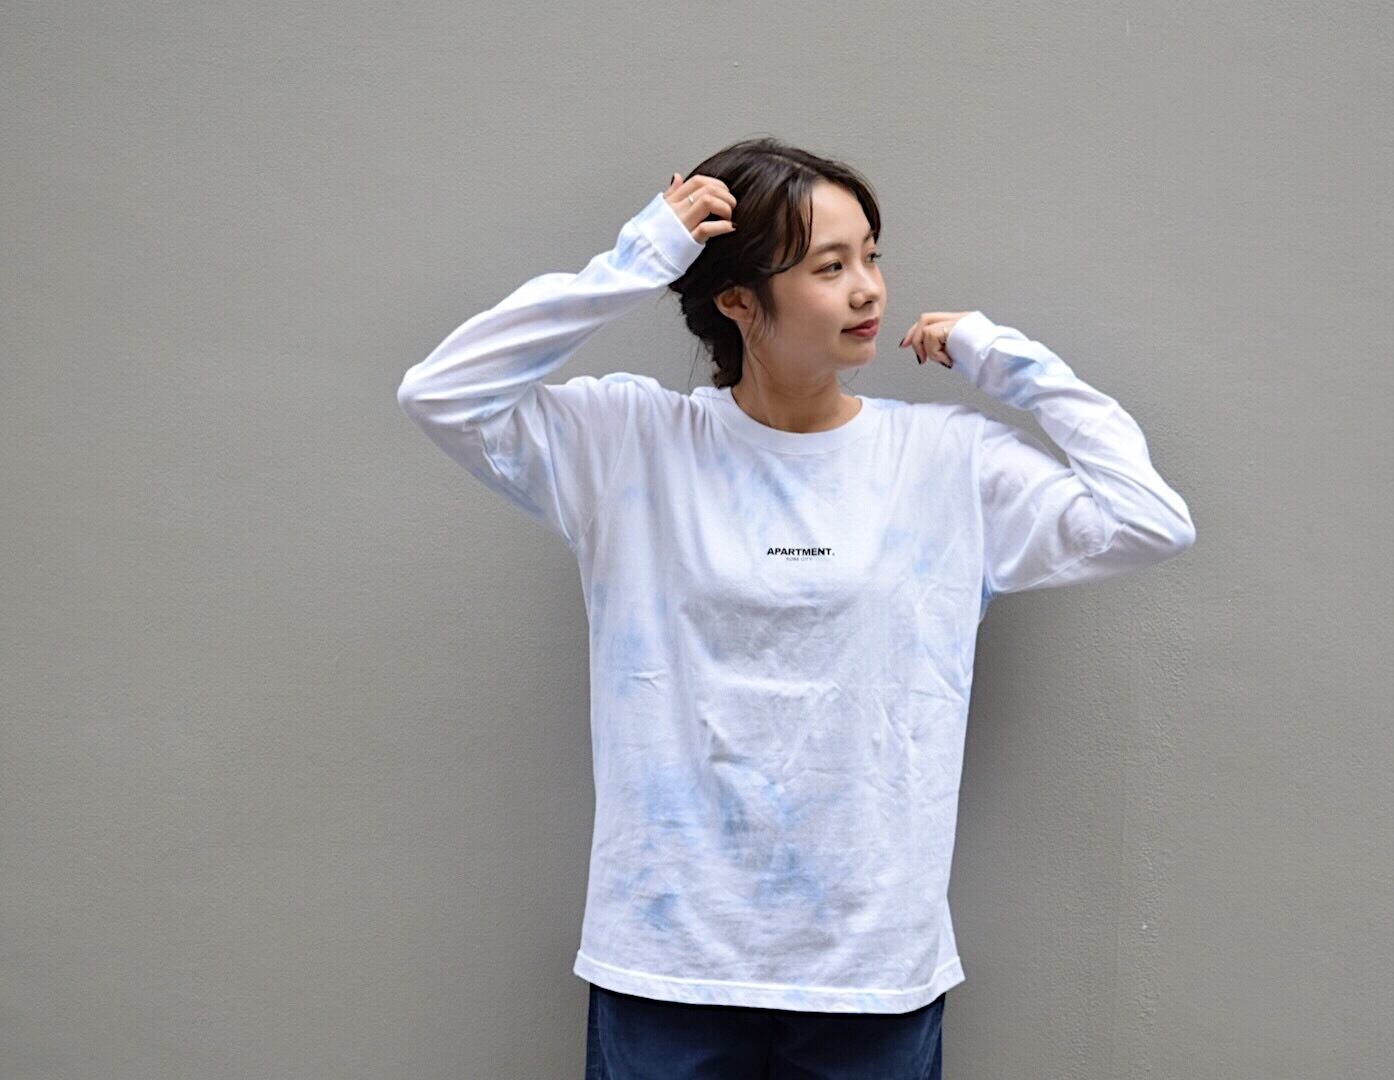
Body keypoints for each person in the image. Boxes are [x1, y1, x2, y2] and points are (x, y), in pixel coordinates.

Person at [396, 136, 1195, 1079]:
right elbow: (440, 394)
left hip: (869, 974)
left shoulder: (946, 462)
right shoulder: (630, 444)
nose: (868, 290)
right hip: (667, 964)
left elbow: (1150, 521)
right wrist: (638, 260)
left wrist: (1010, 364)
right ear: (738, 300)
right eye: (830, 267)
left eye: (871, 257)